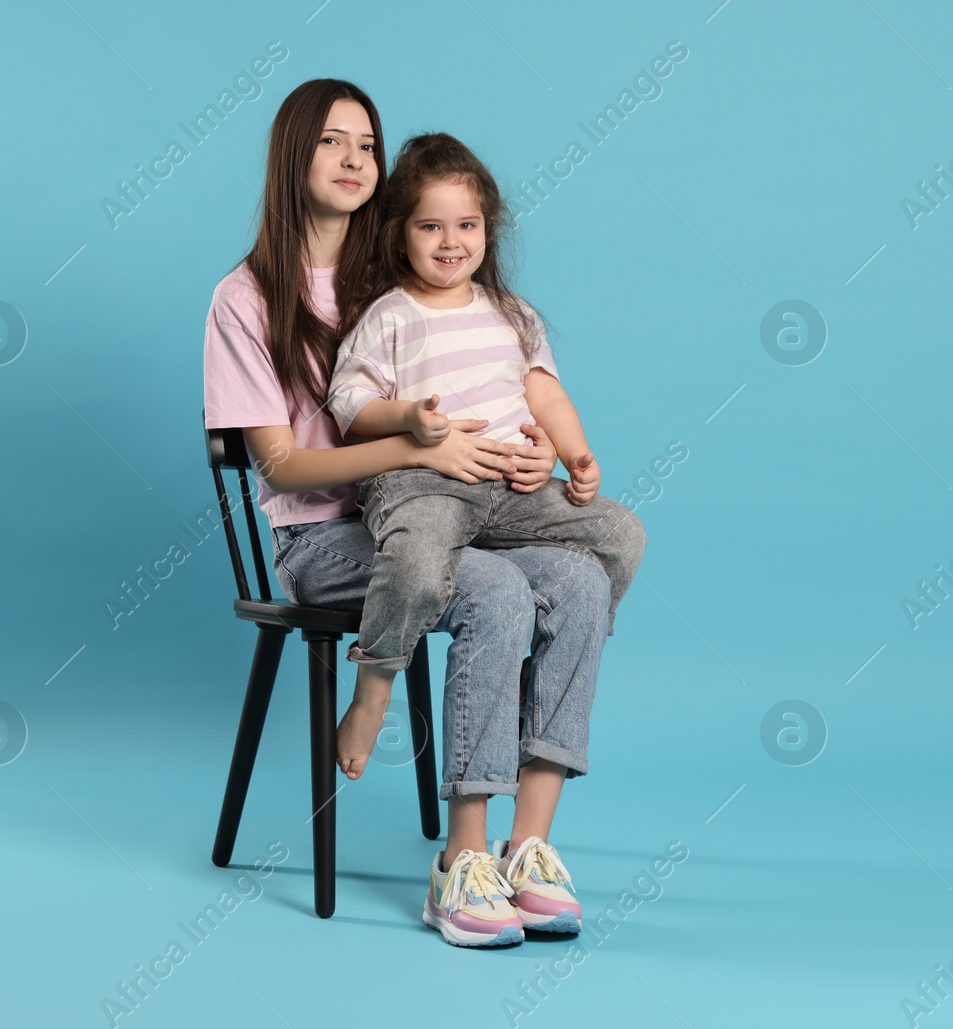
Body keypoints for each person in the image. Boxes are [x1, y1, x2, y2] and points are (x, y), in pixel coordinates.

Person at [202, 80, 640, 948]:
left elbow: (519, 385)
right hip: (326, 535)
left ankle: (530, 846)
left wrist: (539, 452)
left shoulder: (402, 266)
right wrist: (421, 449)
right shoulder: (248, 296)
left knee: (586, 577)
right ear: (292, 156)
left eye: (367, 143)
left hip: (469, 509)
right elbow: (286, 460)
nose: (355, 159)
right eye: (332, 142)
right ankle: (461, 861)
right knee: (493, 592)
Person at [323, 132, 644, 819]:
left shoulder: (512, 314)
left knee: (620, 532)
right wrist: (409, 418)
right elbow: (350, 405)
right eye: (430, 226)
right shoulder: (390, 316)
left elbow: (545, 392)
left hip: (510, 489)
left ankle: (546, 662)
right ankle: (375, 683)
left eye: (466, 225)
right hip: (423, 484)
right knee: (412, 558)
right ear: (399, 233)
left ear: (487, 231)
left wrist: (573, 455)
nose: (450, 241)